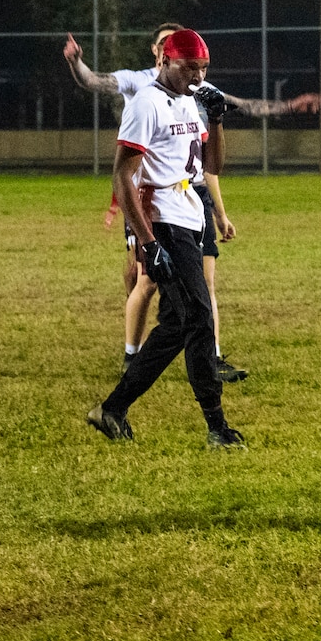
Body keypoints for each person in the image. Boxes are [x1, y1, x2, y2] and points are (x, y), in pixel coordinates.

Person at [64, 27, 320, 381]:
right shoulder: (141, 86)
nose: (196, 70)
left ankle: (209, 360)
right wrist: (76, 62)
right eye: (167, 44)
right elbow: (94, 82)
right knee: (148, 283)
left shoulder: (193, 89)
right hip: (152, 197)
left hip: (191, 195)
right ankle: (133, 357)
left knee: (202, 287)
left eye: (200, 64)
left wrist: (289, 106)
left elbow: (238, 114)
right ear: (160, 52)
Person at [85, 29, 244, 449]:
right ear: (165, 62)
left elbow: (212, 165)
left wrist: (217, 120)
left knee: (177, 325)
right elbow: (122, 176)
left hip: (189, 214)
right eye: (190, 67)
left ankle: (112, 409)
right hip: (163, 221)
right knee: (200, 318)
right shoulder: (146, 102)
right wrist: (149, 242)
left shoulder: (192, 100)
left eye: (203, 68)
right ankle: (217, 426)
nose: (198, 76)